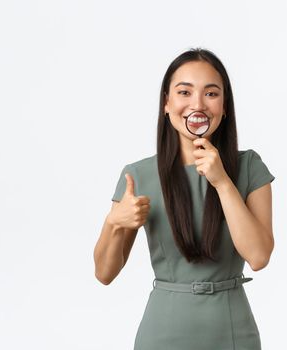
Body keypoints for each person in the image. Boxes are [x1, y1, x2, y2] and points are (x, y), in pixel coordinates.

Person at [93, 47, 275, 350]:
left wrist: (222, 182)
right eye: (184, 92)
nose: (197, 104)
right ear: (167, 103)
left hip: (232, 332)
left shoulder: (248, 167)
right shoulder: (138, 176)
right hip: (163, 332)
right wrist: (114, 222)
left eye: (211, 94)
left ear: (225, 106)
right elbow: (104, 273)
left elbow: (258, 256)